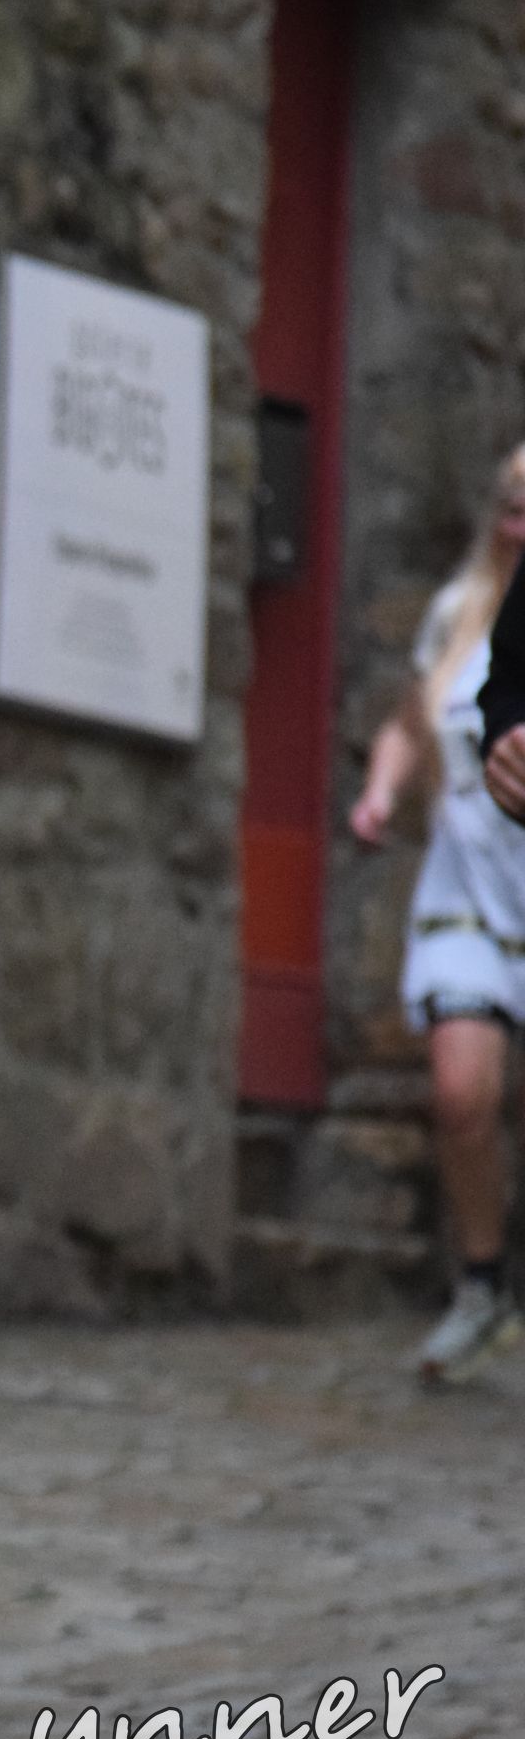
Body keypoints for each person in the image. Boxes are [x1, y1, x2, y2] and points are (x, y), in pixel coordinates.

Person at [356, 442, 525, 1381]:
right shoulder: (458, 615)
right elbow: (407, 724)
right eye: (512, 507)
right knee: (462, 1095)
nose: (522, 527)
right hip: (468, 895)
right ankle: (482, 1284)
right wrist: (382, 793)